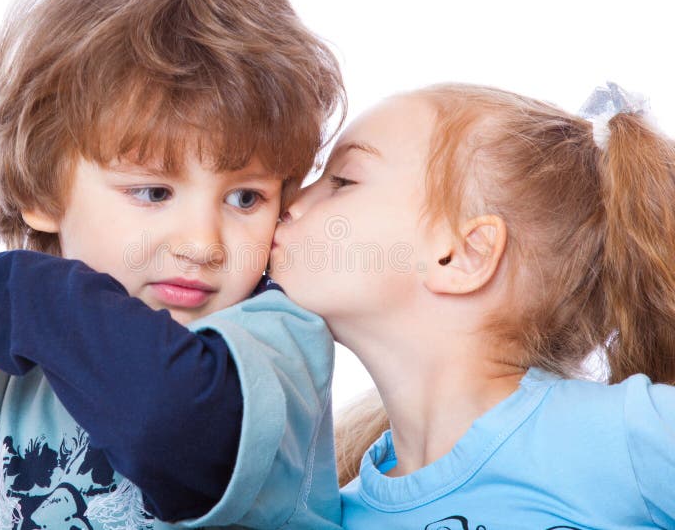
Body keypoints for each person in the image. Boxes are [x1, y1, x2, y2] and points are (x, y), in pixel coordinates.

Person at [0, 0, 345, 528]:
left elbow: (175, 428)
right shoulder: (3, 382)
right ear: (44, 191)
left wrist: (20, 292)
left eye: (245, 198)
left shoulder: (278, 341)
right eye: (152, 192)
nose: (203, 244)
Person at [273, 82, 675, 528]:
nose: (287, 203)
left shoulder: (626, 438)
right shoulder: (327, 515)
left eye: (342, 181)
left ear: (463, 255)